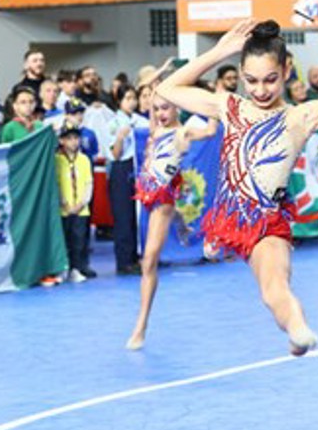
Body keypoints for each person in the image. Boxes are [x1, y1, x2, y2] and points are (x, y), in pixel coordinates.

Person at [156, 19, 318, 356]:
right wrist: (219, 51)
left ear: (287, 71)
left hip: (266, 224)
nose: (260, 90)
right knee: (249, 270)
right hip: (227, 220)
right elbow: (167, 89)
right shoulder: (230, 106)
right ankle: (291, 324)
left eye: (270, 80)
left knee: (273, 286)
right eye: (251, 81)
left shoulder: (302, 116)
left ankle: (298, 330)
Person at [125, 95, 218, 349]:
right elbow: (153, 90)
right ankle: (182, 223)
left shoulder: (183, 132)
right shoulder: (155, 129)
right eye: (156, 109)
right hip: (145, 190)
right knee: (149, 257)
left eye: (165, 108)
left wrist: (212, 103)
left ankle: (141, 325)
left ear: (177, 107)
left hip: (163, 197)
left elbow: (211, 130)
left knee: (149, 260)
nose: (160, 113)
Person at [106, 85, 146, 274]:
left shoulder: (140, 121)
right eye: (127, 98)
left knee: (136, 215)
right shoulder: (114, 123)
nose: (132, 102)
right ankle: (124, 261)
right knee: (123, 216)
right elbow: (114, 154)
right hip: (122, 169)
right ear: (119, 100)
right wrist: (120, 138)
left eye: (133, 98)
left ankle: (137, 257)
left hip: (139, 169)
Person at [55, 125, 97, 283]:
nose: (73, 142)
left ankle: (76, 268)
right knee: (64, 239)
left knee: (79, 240)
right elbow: (57, 184)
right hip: (64, 209)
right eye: (69, 138)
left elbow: (89, 183)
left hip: (81, 209)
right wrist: (64, 203)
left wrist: (82, 203)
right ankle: (62, 268)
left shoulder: (84, 160)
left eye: (76, 138)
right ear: (62, 141)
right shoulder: (57, 160)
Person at [61, 98, 100, 163]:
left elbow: (95, 154)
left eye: (81, 112)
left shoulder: (89, 133)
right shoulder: (60, 132)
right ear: (66, 115)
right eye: (74, 113)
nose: (78, 116)